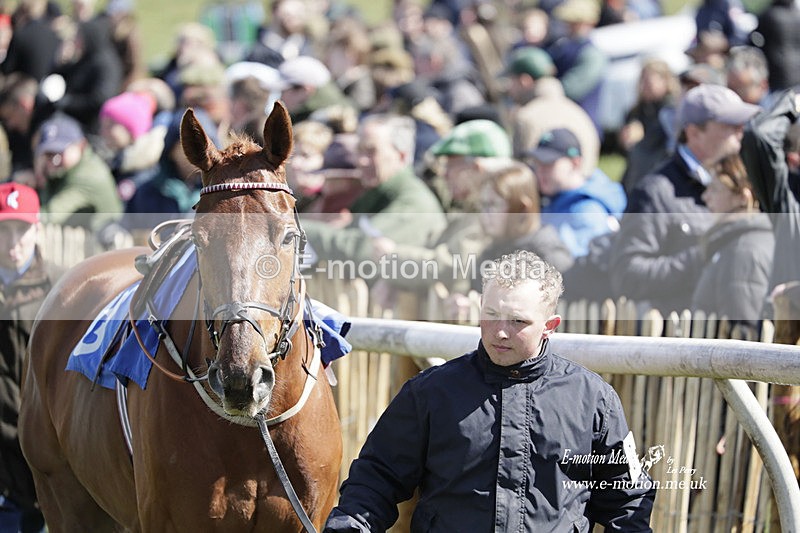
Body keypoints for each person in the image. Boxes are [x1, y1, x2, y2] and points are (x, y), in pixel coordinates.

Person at [324, 250, 656, 532]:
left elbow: (626, 499)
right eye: (491, 315)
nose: (499, 332)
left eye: (517, 321)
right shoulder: (430, 393)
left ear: (549, 326)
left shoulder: (592, 399)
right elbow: (375, 481)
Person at [608, 83, 761, 314]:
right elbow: (628, 276)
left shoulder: (742, 179)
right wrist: (706, 254)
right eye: (729, 125)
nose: (741, 130)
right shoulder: (656, 191)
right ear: (694, 133)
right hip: (681, 337)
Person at [0, 183, 59, 533]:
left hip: (43, 455)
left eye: (21, 229)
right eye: (4, 230)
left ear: (37, 229)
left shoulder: (61, 291)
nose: (13, 242)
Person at [691, 153, 774, 331]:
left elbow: (743, 336)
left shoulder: (743, 251)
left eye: (715, 189)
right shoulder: (736, 243)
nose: (705, 196)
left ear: (743, 197)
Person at [526, 127, 626, 258]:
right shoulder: (552, 197)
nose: (540, 171)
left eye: (548, 164)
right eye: (537, 163)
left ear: (575, 163)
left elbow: (578, 271)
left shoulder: (587, 213)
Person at [32, 111, 123, 234]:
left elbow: (48, 217)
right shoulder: (67, 169)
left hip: (105, 243)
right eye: (49, 155)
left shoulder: (88, 176)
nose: (54, 160)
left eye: (59, 153)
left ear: (81, 145)